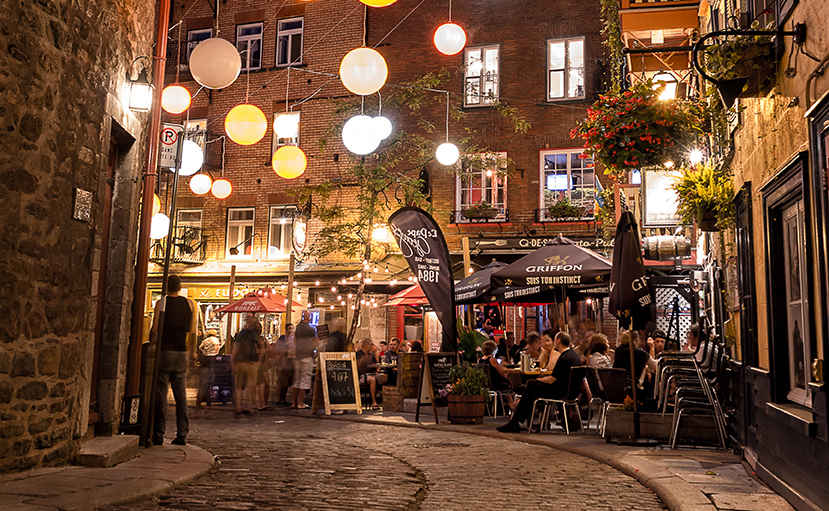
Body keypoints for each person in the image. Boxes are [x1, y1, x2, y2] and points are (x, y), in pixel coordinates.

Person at [497, 331, 582, 433]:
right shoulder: (573, 355)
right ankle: (517, 421)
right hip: (570, 391)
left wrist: (537, 380)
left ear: (558, 341)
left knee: (531, 386)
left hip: (560, 391)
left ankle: (516, 421)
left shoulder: (563, 358)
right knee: (530, 387)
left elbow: (551, 379)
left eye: (554, 340)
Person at [150, 274, 197, 446]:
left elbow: (155, 329)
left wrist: (152, 342)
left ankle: (158, 433)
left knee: (161, 395)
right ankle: (182, 434)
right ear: (179, 287)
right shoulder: (190, 304)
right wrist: (191, 353)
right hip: (181, 352)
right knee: (181, 396)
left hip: (165, 351)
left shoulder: (161, 303)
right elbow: (191, 331)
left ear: (166, 286)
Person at [232, 313, 264, 415]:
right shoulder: (254, 334)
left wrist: (233, 363)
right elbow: (259, 348)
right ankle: (251, 404)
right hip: (251, 362)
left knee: (239, 386)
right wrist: (259, 360)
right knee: (252, 384)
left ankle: (239, 406)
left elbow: (235, 349)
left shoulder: (241, 333)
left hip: (241, 362)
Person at [292, 312, 318, 410]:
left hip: (297, 356)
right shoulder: (311, 330)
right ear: (308, 318)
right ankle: (300, 402)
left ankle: (293, 402)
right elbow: (313, 342)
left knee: (297, 380)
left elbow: (293, 342)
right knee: (304, 379)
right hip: (307, 356)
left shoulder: (297, 328)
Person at [479, 340, 515, 409]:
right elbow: (502, 373)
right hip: (495, 384)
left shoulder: (479, 360)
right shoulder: (493, 360)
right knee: (508, 384)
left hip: (485, 384)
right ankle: (512, 404)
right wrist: (501, 364)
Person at [196, 329, 222, 418]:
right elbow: (219, 348)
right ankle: (208, 409)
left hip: (206, 360)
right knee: (208, 386)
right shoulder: (216, 340)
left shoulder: (205, 340)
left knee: (203, 386)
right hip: (213, 360)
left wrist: (204, 353)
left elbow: (200, 348)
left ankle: (198, 408)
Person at [356, 339, 386, 409]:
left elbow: (376, 364)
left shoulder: (371, 354)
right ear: (366, 346)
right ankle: (374, 402)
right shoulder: (358, 354)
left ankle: (386, 401)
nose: (372, 346)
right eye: (370, 345)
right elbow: (359, 365)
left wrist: (375, 353)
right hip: (362, 375)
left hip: (373, 373)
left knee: (386, 377)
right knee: (372, 379)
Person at [274, 323, 295, 407]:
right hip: (282, 363)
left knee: (287, 382)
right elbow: (279, 349)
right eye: (290, 328)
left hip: (290, 363)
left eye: (292, 328)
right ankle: (279, 400)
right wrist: (285, 351)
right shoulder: (283, 338)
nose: (292, 330)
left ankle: (283, 399)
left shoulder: (293, 339)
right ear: (286, 330)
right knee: (281, 382)